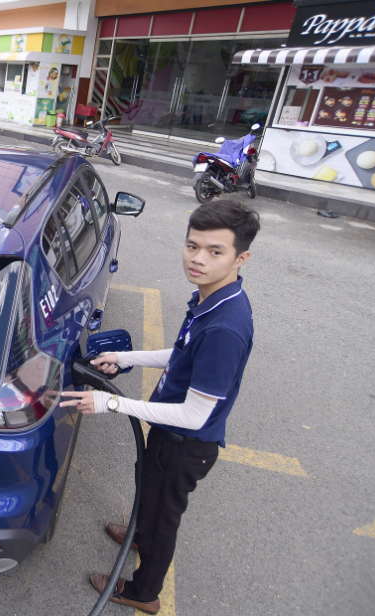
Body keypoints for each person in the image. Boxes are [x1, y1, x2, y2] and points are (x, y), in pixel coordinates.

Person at [61, 200, 261, 615]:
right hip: (169, 437)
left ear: (241, 258)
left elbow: (194, 415)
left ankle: (142, 592)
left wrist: (110, 401)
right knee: (148, 496)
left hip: (184, 445)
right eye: (192, 246)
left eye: (214, 251)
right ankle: (139, 533)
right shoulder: (213, 298)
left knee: (162, 516)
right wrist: (128, 358)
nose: (198, 259)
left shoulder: (226, 326)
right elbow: (184, 352)